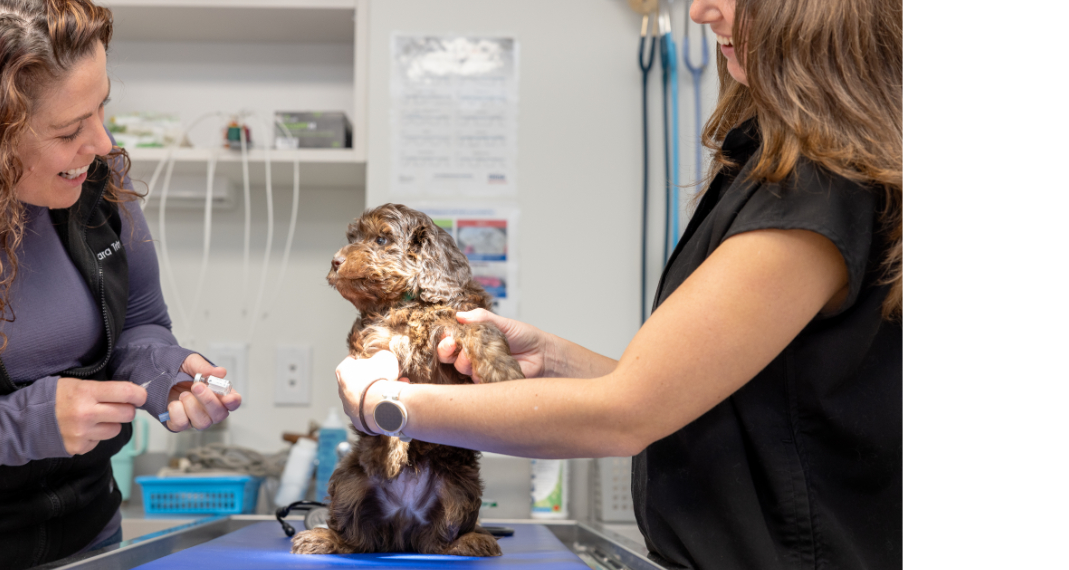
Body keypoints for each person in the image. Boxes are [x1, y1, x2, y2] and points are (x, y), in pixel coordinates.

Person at [333, 0, 901, 568]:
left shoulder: (818, 192)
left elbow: (627, 415)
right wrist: (553, 358)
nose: (702, 10)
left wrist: (384, 405)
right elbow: (693, 396)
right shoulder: (774, 173)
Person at [0, 1, 242, 568]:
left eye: (102, 108)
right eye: (70, 128)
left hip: (90, 535)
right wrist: (23, 424)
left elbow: (140, 322)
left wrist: (162, 371)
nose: (101, 143)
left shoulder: (98, 184)